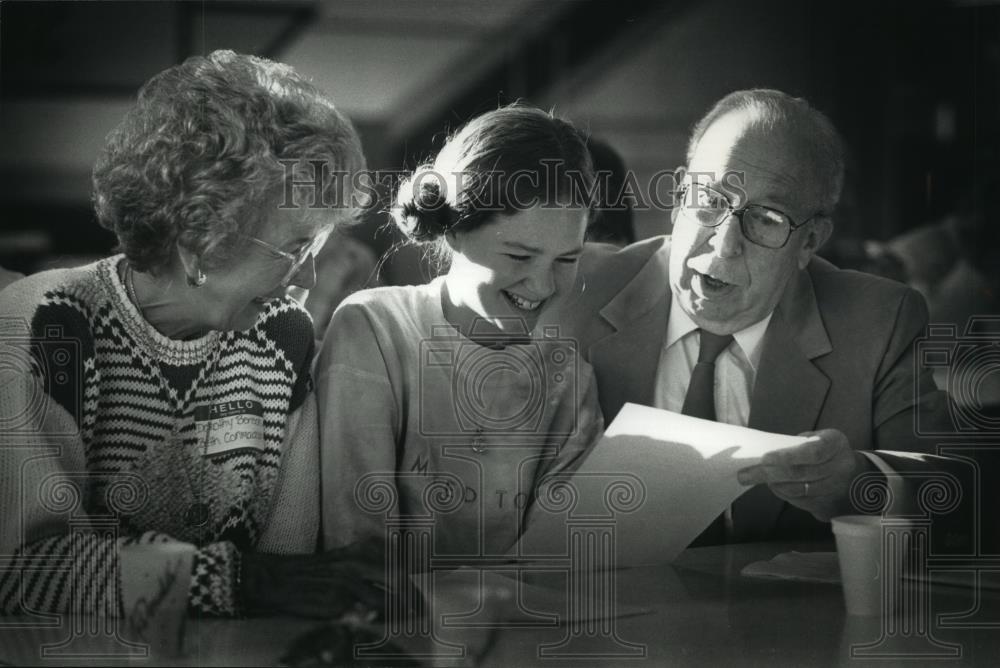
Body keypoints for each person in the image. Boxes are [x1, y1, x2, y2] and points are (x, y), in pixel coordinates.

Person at [0, 50, 381, 619]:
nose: (308, 277)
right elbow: (21, 572)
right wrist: (230, 581)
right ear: (200, 236)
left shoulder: (285, 337)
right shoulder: (49, 321)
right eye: (296, 247)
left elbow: (289, 560)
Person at [559, 89, 967, 544]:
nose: (724, 244)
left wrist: (857, 482)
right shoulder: (567, 293)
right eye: (709, 200)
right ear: (677, 198)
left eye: (767, 218)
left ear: (810, 242)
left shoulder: (879, 321)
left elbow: (952, 493)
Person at [316, 105, 604, 557]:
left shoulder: (569, 377)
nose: (544, 286)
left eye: (567, 260)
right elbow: (357, 543)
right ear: (454, 231)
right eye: (519, 256)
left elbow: (558, 555)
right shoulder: (373, 329)